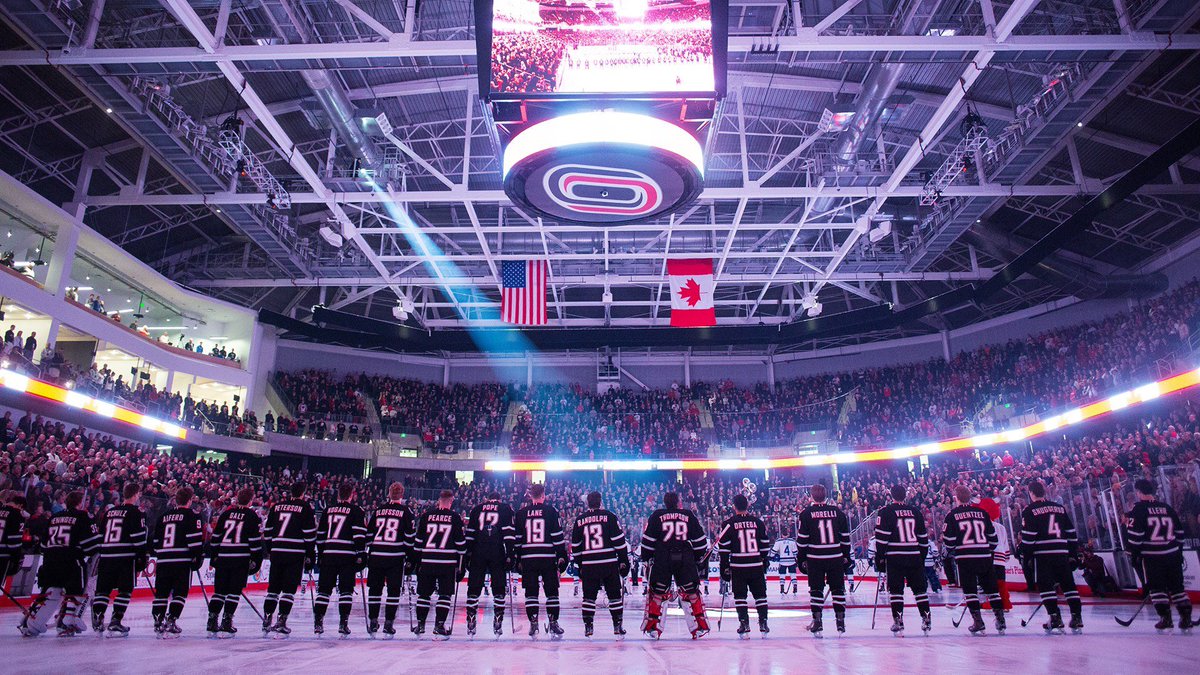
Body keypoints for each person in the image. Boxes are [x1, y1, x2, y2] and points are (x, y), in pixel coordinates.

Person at [21, 490, 98, 637]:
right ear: (79, 503)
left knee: (51, 592)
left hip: (50, 559)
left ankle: (29, 621)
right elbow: (91, 545)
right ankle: (66, 622)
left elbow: (43, 544)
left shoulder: (55, 517)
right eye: (85, 501)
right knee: (76, 591)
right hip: (72, 559)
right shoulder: (83, 516)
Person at [1125, 478, 1193, 632]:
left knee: (1157, 588)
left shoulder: (1139, 510)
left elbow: (1136, 536)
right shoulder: (1167, 508)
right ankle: (1186, 617)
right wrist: (1178, 552)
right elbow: (1180, 533)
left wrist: (1134, 555)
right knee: (1177, 587)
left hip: (1152, 557)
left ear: (1139, 492)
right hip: (1172, 555)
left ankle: (1165, 618)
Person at [640, 491, 710, 639]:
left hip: (662, 558)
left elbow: (647, 542)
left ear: (664, 502)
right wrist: (697, 558)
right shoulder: (688, 515)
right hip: (685, 558)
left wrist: (647, 558)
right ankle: (699, 627)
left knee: (658, 593)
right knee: (691, 592)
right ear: (678, 502)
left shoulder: (657, 515)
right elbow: (701, 542)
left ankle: (653, 628)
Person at [1019, 479, 1083, 633]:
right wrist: (1073, 553)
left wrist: (1025, 557)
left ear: (1031, 493)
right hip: (1061, 552)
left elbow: (1029, 537)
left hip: (1042, 555)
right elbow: (1071, 533)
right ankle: (1077, 616)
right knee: (1069, 585)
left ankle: (1054, 617)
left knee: (1046, 585)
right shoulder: (1059, 508)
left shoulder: (1029, 510)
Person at [941, 485, 1005, 634]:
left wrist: (953, 549)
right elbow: (993, 540)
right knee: (992, 589)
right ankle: (1000, 620)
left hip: (965, 558)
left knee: (970, 591)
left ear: (956, 498)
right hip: (984, 557)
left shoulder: (952, 515)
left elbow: (949, 541)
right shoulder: (982, 513)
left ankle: (978, 622)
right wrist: (984, 549)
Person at [570, 490, 629, 639]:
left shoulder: (580, 520)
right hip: (608, 563)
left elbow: (575, 546)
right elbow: (619, 542)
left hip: (589, 564)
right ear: (600, 502)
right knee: (614, 596)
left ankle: (588, 627)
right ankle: (617, 625)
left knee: (589, 597)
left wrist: (579, 564)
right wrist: (623, 559)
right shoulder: (609, 516)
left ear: (588, 503)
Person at [874, 484, 931, 636]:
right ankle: (926, 618)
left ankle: (898, 620)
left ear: (891, 495)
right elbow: (923, 538)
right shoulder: (915, 512)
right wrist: (922, 555)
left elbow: (881, 538)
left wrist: (879, 556)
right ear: (905, 495)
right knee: (920, 590)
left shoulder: (885, 512)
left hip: (895, 557)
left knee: (896, 591)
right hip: (914, 555)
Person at [91, 483, 147, 636]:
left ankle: (98, 617)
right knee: (125, 590)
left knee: (103, 590)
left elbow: (101, 536)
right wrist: (142, 556)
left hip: (107, 556)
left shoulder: (110, 512)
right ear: (135, 494)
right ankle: (115, 621)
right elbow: (138, 538)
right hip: (125, 557)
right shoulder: (135, 512)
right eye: (139, 494)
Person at [262, 481, 317, 637]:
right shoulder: (305, 508)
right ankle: (281, 620)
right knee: (288, 589)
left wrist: (270, 548)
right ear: (303, 493)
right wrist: (310, 554)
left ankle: (266, 620)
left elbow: (268, 531)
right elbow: (309, 534)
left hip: (277, 552)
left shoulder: (277, 506)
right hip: (295, 553)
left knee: (273, 588)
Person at [513, 483, 567, 639]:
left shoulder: (521, 513)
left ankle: (534, 622)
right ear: (543, 495)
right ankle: (553, 622)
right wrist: (561, 555)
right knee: (552, 592)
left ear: (530, 496)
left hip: (528, 558)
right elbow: (558, 537)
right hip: (547, 558)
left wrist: (517, 557)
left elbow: (517, 540)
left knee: (531, 592)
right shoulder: (551, 511)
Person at [796, 483, 851, 637]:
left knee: (816, 590)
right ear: (826, 496)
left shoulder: (806, 513)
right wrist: (846, 556)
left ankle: (818, 622)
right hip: (835, 557)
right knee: (838, 589)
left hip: (815, 558)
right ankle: (840, 622)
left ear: (811, 496)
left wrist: (801, 558)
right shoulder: (837, 512)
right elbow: (845, 539)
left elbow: (802, 541)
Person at [208, 486, 263, 637]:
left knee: (219, 591)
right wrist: (256, 560)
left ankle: (212, 620)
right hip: (240, 559)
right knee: (233, 592)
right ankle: (227, 621)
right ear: (251, 500)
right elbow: (254, 542)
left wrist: (214, 556)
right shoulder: (252, 516)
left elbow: (215, 538)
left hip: (223, 557)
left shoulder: (226, 514)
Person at [314, 482, 368, 637]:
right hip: (347, 556)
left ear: (338, 495)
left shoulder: (328, 510)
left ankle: (318, 622)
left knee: (324, 590)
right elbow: (358, 535)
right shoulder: (356, 511)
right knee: (346, 591)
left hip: (329, 554)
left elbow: (321, 535)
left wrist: (321, 553)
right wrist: (361, 554)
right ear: (351, 495)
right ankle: (343, 623)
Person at [413, 489, 466, 639]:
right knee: (444, 594)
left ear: (439, 500)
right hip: (446, 562)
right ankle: (439, 625)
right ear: (451, 501)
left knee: (424, 594)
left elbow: (418, 542)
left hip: (427, 561)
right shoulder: (455, 517)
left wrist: (416, 561)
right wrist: (461, 564)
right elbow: (461, 544)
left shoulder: (426, 516)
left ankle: (421, 624)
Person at [151, 486, 204, 638]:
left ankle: (158, 620)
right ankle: (171, 620)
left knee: (161, 592)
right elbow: (194, 541)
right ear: (189, 501)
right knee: (180, 593)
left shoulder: (164, 516)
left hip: (163, 560)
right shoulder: (192, 516)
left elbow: (155, 542)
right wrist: (197, 557)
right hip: (182, 561)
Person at [366, 482, 416, 637]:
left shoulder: (379, 510)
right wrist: (409, 555)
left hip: (376, 555)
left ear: (389, 493)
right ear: (402, 494)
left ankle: (373, 621)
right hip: (395, 557)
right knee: (393, 591)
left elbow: (369, 535)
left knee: (375, 589)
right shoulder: (406, 511)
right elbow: (410, 538)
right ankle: (389, 623)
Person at [717, 493, 770, 638]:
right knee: (760, 595)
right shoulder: (757, 522)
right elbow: (765, 546)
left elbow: (724, 548)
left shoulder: (728, 524)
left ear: (734, 507)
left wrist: (724, 566)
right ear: (747, 505)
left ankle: (744, 623)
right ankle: (763, 623)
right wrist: (764, 559)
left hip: (738, 566)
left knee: (740, 596)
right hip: (755, 564)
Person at [464, 491, 516, 637]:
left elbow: (470, 534)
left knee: (474, 586)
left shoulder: (477, 509)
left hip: (478, 551)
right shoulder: (505, 508)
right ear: (499, 499)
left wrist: (467, 553)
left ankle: (471, 618)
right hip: (497, 551)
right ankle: (498, 619)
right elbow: (509, 534)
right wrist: (510, 554)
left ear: (487, 499)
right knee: (499, 586)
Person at [978, 497, 1013, 611]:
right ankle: (1005, 604)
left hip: (989, 557)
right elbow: (1005, 545)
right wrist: (1006, 557)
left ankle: (992, 603)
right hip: (1001, 558)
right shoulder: (1001, 527)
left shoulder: (982, 526)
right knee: (1001, 583)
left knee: (990, 583)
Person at [1, 491, 27, 586]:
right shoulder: (17, 515)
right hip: (3, 555)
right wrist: (16, 560)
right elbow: (14, 542)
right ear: (20, 505)